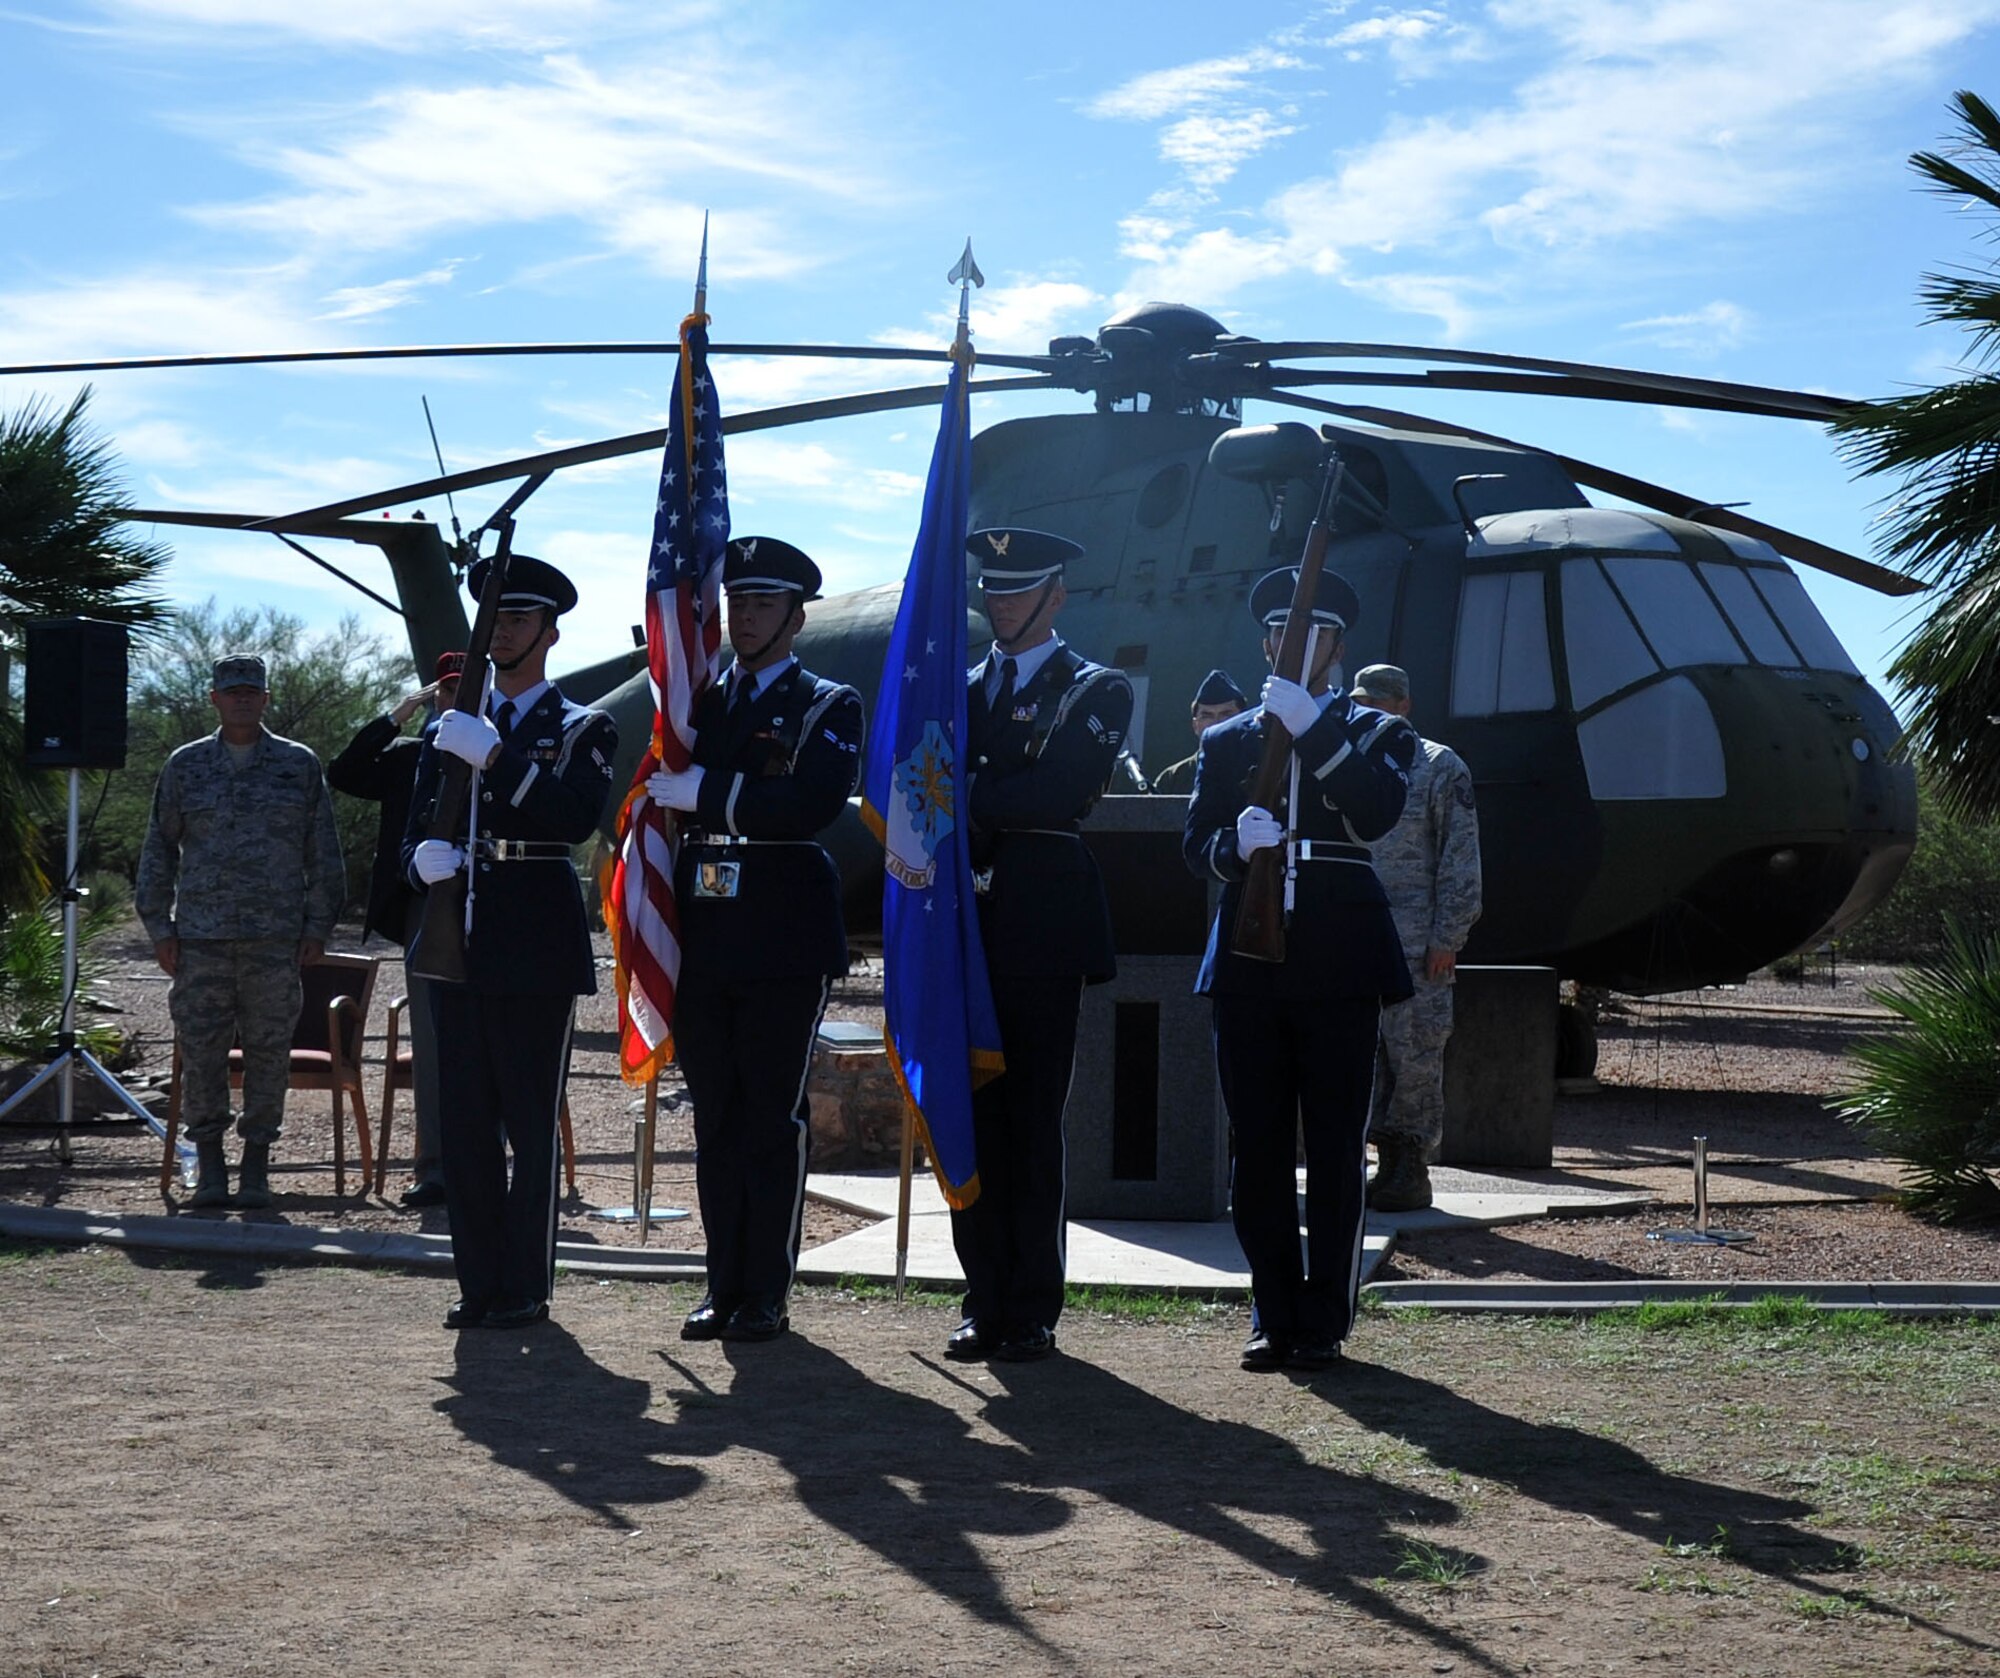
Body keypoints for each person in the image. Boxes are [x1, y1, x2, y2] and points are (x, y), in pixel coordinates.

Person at [1183, 567, 1416, 1373]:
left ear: (1338, 644)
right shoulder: (1228, 738)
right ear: (1265, 639)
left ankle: (1325, 1316)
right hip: (1249, 960)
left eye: (1313, 633)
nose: (1294, 645)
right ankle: (1271, 1309)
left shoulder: (1380, 731)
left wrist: (1314, 729)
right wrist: (1231, 846)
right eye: (1282, 631)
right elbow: (1196, 844)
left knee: (1335, 1143)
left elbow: (1376, 813)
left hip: (1339, 957)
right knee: (1257, 1146)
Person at [649, 536, 864, 1345]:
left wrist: (709, 789)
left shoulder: (826, 704)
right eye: (737, 603)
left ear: (797, 617)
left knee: (770, 1116)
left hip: (780, 931)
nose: (745, 617)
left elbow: (807, 803)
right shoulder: (702, 703)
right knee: (716, 1117)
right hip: (705, 929)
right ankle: (721, 1284)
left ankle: (765, 1290)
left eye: (764, 604)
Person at [404, 555, 616, 1332]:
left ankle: (526, 1284)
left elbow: (569, 820)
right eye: (496, 619)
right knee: (463, 1125)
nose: (505, 632)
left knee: (530, 1122)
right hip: (457, 934)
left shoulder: (582, 726)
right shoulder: (447, 728)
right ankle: (478, 1280)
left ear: (551, 632)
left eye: (520, 620)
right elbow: (415, 825)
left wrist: (495, 755)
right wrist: (418, 862)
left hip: (535, 941)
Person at [947, 526, 1134, 1364]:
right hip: (963, 926)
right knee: (971, 1119)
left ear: (1057, 597)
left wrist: (962, 794)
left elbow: (1057, 793)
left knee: (1028, 1121)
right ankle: (981, 1296)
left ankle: (1029, 1306)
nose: (1002, 603)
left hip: (1039, 925)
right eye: (993, 589)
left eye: (1020, 591)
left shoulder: (1092, 688)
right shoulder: (955, 686)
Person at [136, 653, 344, 1210]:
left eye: (253, 690)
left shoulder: (297, 766)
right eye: (233, 692)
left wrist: (317, 925)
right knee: (202, 1055)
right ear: (215, 699)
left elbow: (322, 851)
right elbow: (159, 847)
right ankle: (209, 1169)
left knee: (268, 1054)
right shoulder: (187, 765)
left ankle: (256, 1168)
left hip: (274, 941)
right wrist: (159, 927)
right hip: (200, 940)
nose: (243, 699)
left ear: (266, 699)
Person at [326, 649, 463, 1208]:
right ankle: (434, 1168)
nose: (456, 700)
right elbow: (344, 772)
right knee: (431, 1043)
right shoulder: (408, 757)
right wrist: (399, 714)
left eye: (466, 689)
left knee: (495, 1041)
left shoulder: (503, 750)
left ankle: (491, 1162)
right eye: (447, 691)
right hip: (424, 911)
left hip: (493, 910)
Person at [1350, 664, 1482, 1213]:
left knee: (1416, 1056)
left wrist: (1448, 935)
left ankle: (1408, 1165)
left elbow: (1460, 856)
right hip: (1350, 940)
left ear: (1404, 705)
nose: (1373, 709)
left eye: (1383, 701)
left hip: (1416, 944)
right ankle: (1363, 1158)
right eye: (1364, 701)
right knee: (1359, 1057)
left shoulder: (1438, 765)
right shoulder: (1342, 762)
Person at [1150, 668, 1248, 795]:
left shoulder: (1262, 772)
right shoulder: (1173, 779)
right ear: (1195, 725)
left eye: (1226, 714)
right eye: (1207, 716)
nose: (1217, 723)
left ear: (1243, 721)